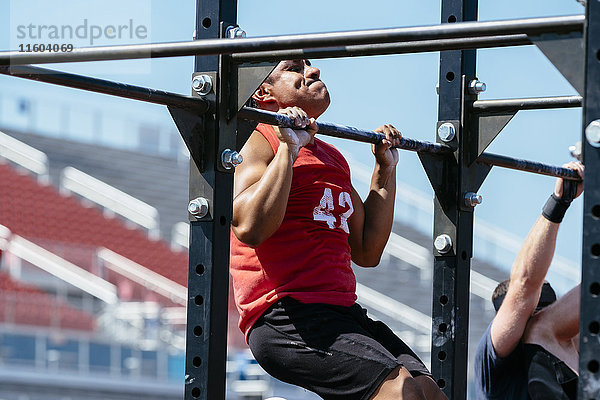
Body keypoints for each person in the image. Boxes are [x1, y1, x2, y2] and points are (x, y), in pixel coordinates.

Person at [230, 59, 447, 400]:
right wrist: (289, 147)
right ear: (263, 92)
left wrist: (384, 171)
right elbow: (248, 227)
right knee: (402, 392)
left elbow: (366, 250)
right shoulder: (258, 141)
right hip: (286, 315)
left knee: (427, 390)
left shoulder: (331, 156)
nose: (312, 72)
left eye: (310, 66)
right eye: (294, 69)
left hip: (340, 311)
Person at [474, 162, 584, 400]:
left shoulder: (574, 347)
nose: (539, 320)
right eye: (530, 316)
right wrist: (559, 201)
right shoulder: (496, 355)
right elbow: (524, 286)